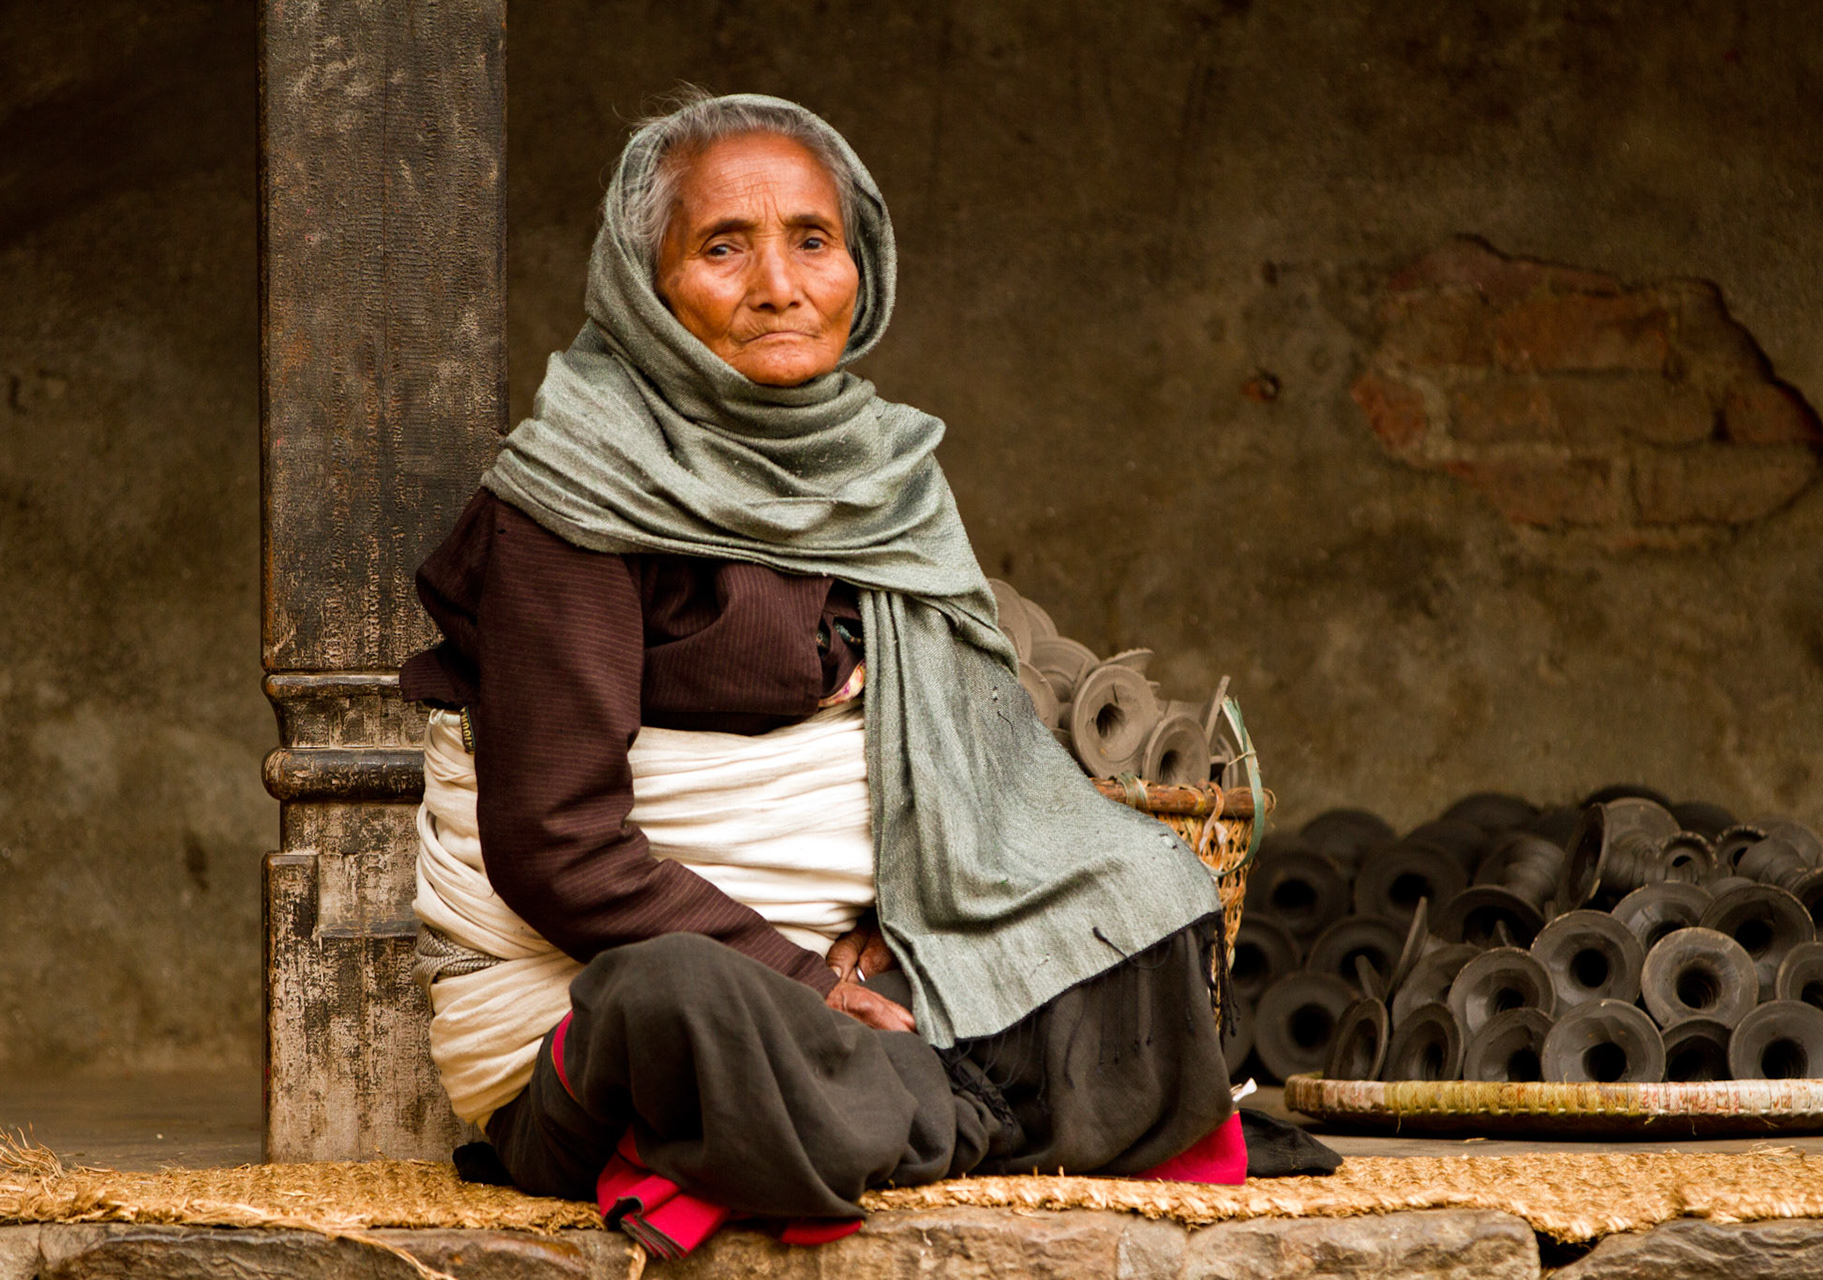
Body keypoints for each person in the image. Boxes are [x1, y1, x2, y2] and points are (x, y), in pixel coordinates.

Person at [399, 89, 1334, 1256]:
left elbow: (969, 778)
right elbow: (556, 842)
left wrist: (904, 932)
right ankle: (942, 1105)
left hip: (869, 973)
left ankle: (891, 1103)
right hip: (607, 998)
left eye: (813, 240)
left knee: (1140, 905)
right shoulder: (572, 498)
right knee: (684, 1000)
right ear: (647, 286)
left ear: (862, 266)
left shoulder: (885, 477)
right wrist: (797, 971)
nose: (779, 285)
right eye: (723, 246)